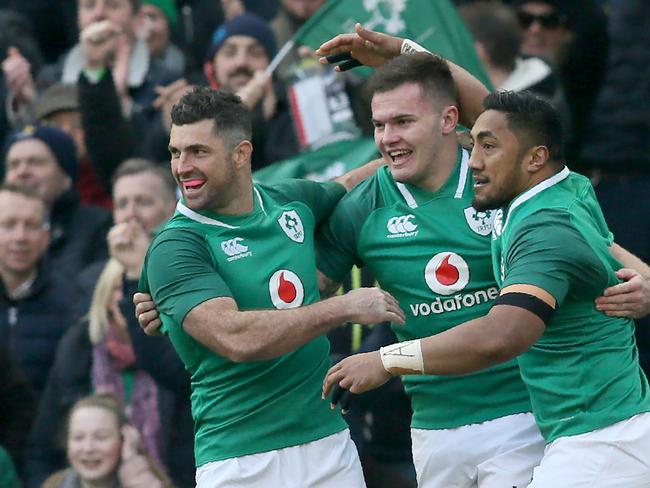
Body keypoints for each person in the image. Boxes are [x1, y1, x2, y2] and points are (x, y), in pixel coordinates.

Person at [323, 90, 650, 487]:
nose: (473, 161)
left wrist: (387, 360)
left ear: (535, 158)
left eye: (488, 148)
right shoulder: (563, 191)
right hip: (592, 435)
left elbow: (503, 334)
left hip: (603, 440)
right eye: (472, 144)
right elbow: (512, 119)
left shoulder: (543, 229)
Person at [137, 85, 401, 487]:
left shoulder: (286, 203)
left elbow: (349, 183)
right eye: (176, 152)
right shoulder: (176, 245)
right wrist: (342, 307)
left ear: (241, 154)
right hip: (241, 459)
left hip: (328, 445)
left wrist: (429, 150)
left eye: (198, 152)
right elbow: (235, 338)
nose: (182, 166)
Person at [23, 259, 181, 488]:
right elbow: (41, 448)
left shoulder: (177, 356)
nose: (130, 297)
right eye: (120, 289)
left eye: (143, 289)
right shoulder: (77, 349)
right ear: (104, 296)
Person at [2, 124, 111, 281]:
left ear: (66, 176)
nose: (22, 172)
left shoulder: (97, 226)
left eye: (35, 162)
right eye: (14, 164)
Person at [0, 183, 74, 402]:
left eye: (31, 226)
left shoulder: (70, 299)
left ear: (46, 236)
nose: (20, 237)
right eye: (9, 225)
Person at [41, 393, 172, 488]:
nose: (88, 448)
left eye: (101, 437)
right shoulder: (54, 485)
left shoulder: (148, 482)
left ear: (124, 441)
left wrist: (132, 465)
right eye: (78, 438)